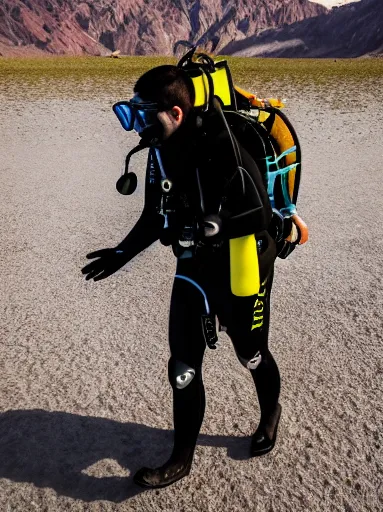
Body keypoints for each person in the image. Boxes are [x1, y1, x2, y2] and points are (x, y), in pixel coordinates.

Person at [81, 64, 282, 489]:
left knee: (251, 354)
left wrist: (217, 224)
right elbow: (154, 218)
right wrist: (120, 255)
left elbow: (259, 213)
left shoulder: (221, 143)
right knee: (182, 369)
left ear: (175, 111)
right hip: (193, 266)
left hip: (245, 261)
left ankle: (270, 415)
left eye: (145, 114)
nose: (138, 126)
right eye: (133, 114)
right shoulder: (159, 151)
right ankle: (180, 459)